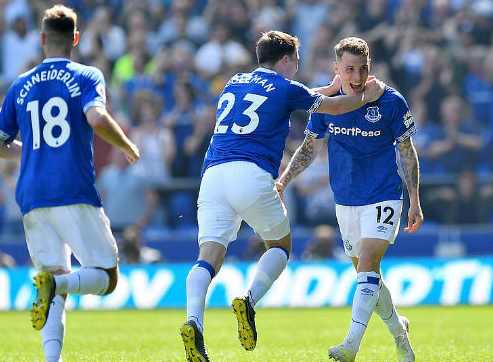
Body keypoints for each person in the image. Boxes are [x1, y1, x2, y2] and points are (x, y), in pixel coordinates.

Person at [180, 30, 386, 362]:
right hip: (251, 173)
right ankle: (248, 300)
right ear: (287, 60)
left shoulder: (234, 82)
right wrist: (366, 97)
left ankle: (193, 322)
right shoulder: (286, 87)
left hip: (213, 175)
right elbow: (332, 107)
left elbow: (287, 97)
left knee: (208, 256)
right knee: (279, 246)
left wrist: (329, 86)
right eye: (296, 62)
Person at [0, 5, 140, 362]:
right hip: (72, 188)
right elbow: (97, 117)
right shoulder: (87, 74)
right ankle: (58, 283)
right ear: (75, 39)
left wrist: (34, 152)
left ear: (42, 40)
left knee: (52, 276)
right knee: (106, 278)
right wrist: (127, 145)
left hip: (31, 194)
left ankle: (52, 357)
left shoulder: (20, 84)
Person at [276, 37, 422, 362]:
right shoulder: (327, 105)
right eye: (349, 69)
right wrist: (284, 179)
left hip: (384, 194)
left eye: (362, 68)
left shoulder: (391, 102)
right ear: (337, 69)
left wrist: (414, 199)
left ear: (370, 67)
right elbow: (310, 147)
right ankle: (400, 333)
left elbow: (406, 151)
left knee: (370, 261)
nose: (356, 76)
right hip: (345, 200)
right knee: (367, 276)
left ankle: (350, 345)